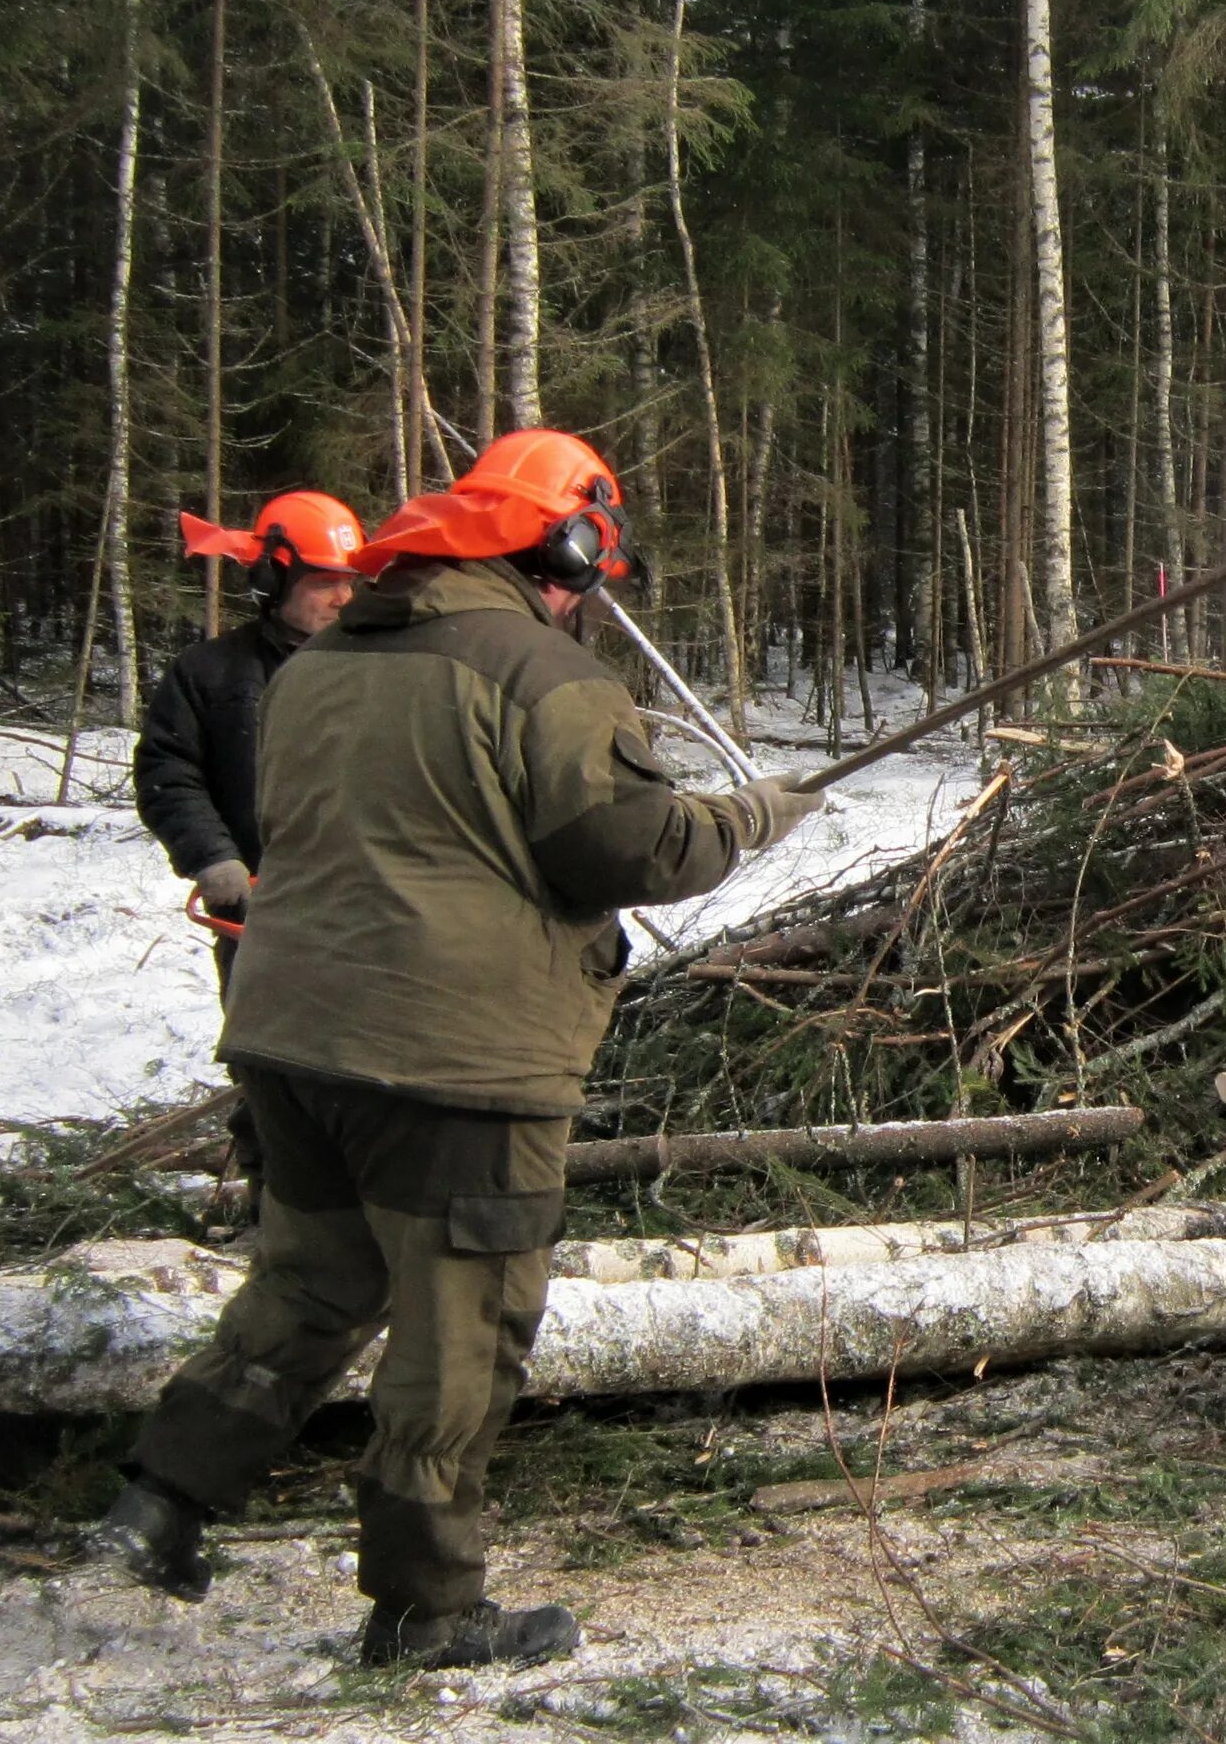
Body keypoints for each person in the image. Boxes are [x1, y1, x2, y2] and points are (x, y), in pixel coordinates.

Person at [91, 430, 822, 1670]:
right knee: (463, 1327)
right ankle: (428, 1608)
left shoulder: (322, 665)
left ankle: (158, 1498)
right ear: (560, 548)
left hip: (288, 1035)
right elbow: (630, 852)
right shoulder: (540, 673)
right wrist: (750, 813)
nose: (590, 598)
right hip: (452, 1060)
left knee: (310, 1285)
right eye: (587, 570)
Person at [135, 492, 369, 956]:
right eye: (325, 582)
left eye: (350, 582)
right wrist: (213, 856)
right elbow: (168, 773)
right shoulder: (210, 671)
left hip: (366, 911)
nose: (343, 598)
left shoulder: (383, 666)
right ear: (272, 580)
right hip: (257, 910)